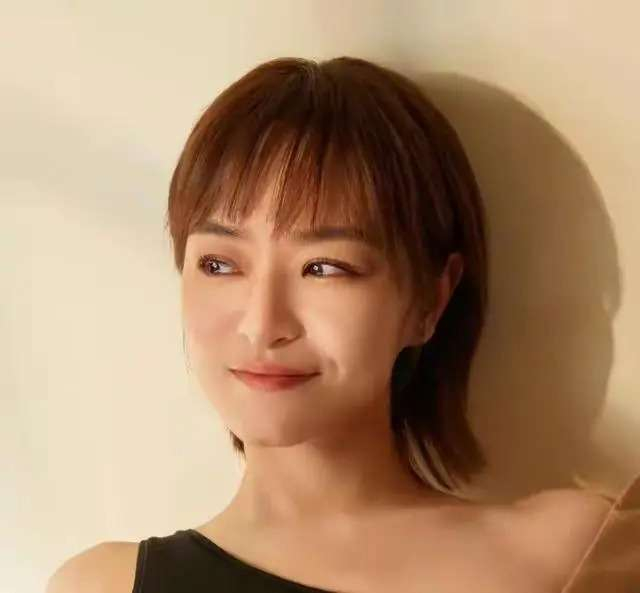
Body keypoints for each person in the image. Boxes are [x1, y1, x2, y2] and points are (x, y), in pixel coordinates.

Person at [47, 56, 636, 593]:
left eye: (325, 267)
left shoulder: (574, 555)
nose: (262, 324)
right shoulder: (103, 586)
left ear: (430, 300)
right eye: (220, 264)